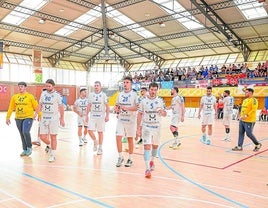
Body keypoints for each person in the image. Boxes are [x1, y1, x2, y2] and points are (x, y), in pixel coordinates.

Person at [137, 82, 167, 178]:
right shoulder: (143, 101)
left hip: (157, 126)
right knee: (147, 146)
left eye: (155, 90)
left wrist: (161, 111)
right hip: (147, 126)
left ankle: (152, 161)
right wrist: (138, 127)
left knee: (155, 146)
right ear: (149, 90)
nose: (153, 92)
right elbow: (140, 114)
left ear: (157, 90)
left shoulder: (160, 101)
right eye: (151, 90)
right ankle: (147, 169)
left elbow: (165, 114)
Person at [6, 81, 40, 156]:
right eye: (19, 86)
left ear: (25, 87)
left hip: (28, 117)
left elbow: (37, 107)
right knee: (21, 133)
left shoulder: (30, 96)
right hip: (18, 118)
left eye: (22, 86)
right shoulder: (15, 97)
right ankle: (24, 149)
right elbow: (11, 108)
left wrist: (39, 115)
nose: (20, 87)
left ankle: (29, 147)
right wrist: (8, 117)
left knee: (25, 132)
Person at [38, 79, 65, 162]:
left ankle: (52, 154)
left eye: (49, 86)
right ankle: (50, 146)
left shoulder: (57, 95)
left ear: (53, 86)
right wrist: (37, 114)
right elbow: (40, 104)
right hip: (44, 117)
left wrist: (62, 118)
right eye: (46, 86)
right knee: (42, 136)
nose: (47, 87)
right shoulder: (43, 94)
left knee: (53, 136)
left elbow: (61, 107)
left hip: (54, 118)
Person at [114, 76, 138, 167]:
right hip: (121, 119)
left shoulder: (134, 94)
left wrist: (126, 108)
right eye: (124, 82)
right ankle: (120, 157)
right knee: (118, 137)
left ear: (131, 84)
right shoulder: (119, 94)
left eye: (127, 82)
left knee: (130, 139)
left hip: (131, 120)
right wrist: (116, 109)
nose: (125, 84)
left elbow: (136, 107)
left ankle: (130, 158)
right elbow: (117, 106)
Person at [86, 81, 110, 155]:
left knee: (100, 132)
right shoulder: (91, 95)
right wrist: (86, 115)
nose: (96, 87)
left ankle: (100, 148)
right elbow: (89, 105)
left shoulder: (103, 95)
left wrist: (107, 115)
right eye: (95, 85)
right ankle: (95, 141)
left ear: (100, 87)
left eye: (97, 85)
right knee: (89, 130)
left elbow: (107, 106)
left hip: (101, 116)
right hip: (92, 116)